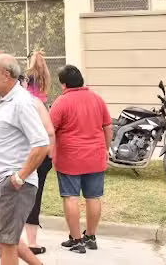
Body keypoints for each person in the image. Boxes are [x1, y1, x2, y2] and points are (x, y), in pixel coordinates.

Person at [0, 53, 50, 265]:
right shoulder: (0, 99)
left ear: (6, 75)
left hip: (13, 182)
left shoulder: (21, 103)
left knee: (6, 242)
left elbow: (42, 144)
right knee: (2, 238)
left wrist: (20, 177)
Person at [50, 65, 112, 254]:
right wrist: (106, 148)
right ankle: (91, 237)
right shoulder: (97, 99)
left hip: (70, 158)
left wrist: (49, 151)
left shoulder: (61, 102)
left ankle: (77, 240)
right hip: (95, 156)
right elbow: (108, 127)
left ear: (63, 84)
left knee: (71, 197)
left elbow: (50, 129)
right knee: (94, 197)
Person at [21, 62, 56, 256]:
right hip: (39, 155)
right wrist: (50, 153)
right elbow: (50, 131)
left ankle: (11, 238)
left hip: (18, 155)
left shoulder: (16, 102)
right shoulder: (37, 103)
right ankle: (31, 241)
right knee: (35, 195)